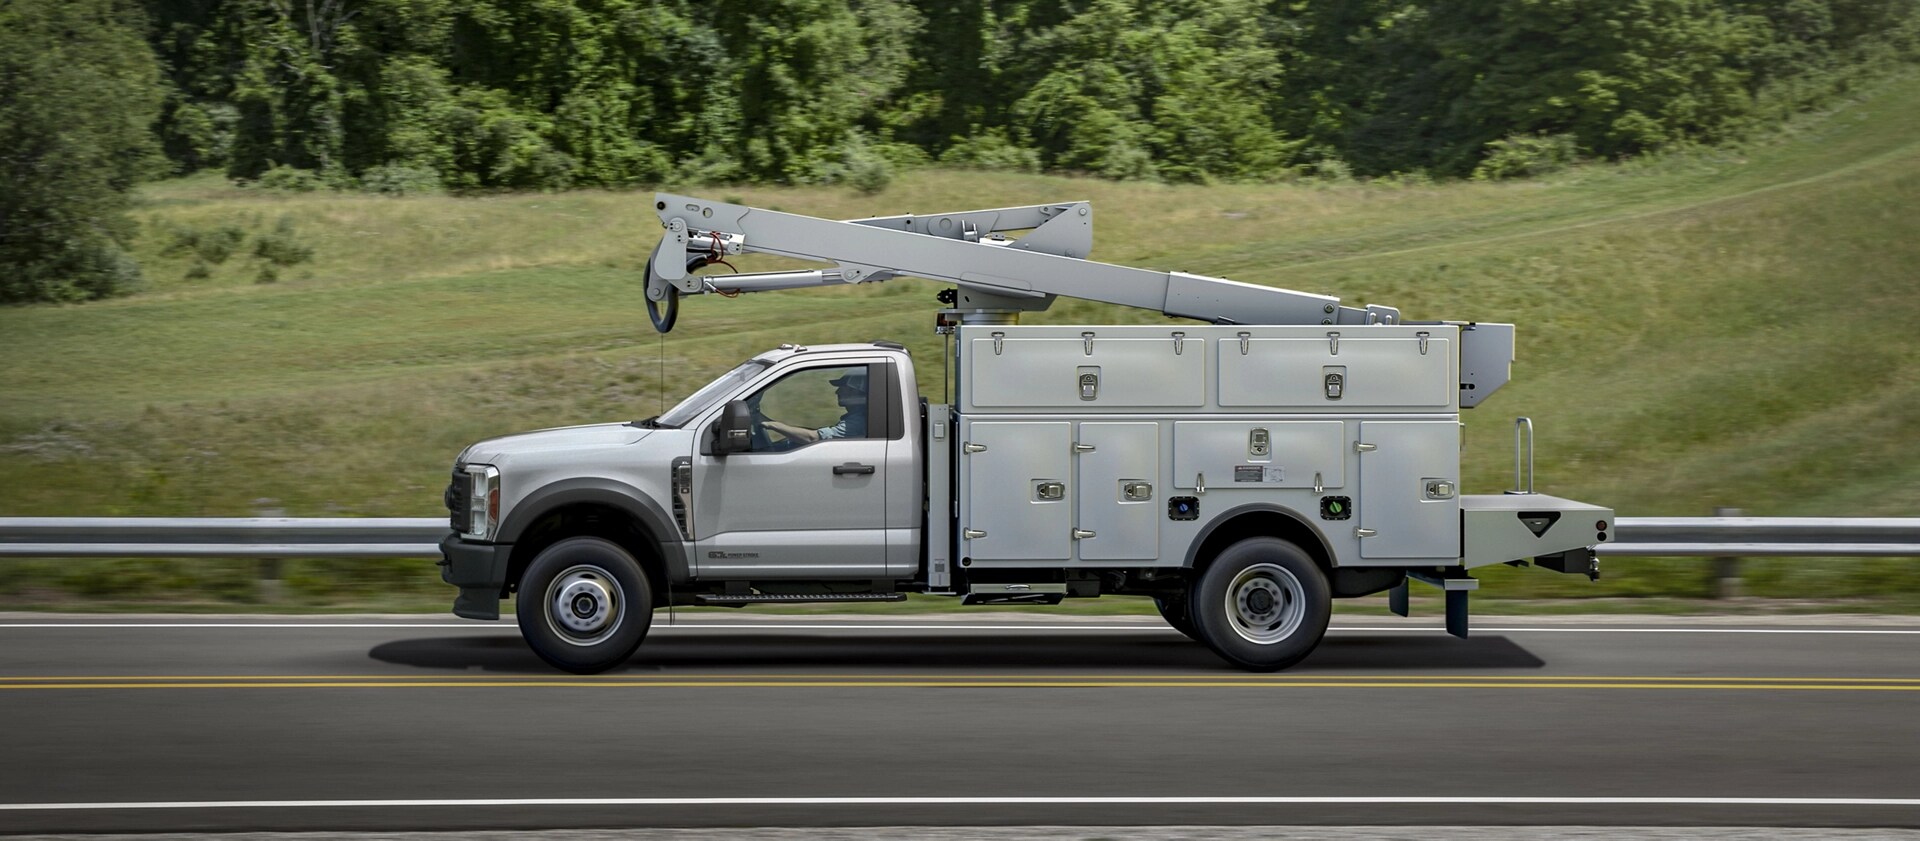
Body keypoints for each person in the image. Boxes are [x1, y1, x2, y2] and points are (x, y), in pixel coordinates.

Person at [759, 369, 867, 444]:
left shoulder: (858, 421)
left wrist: (772, 425)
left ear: (857, 391)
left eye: (844, 387)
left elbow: (813, 438)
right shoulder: (858, 417)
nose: (837, 391)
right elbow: (818, 433)